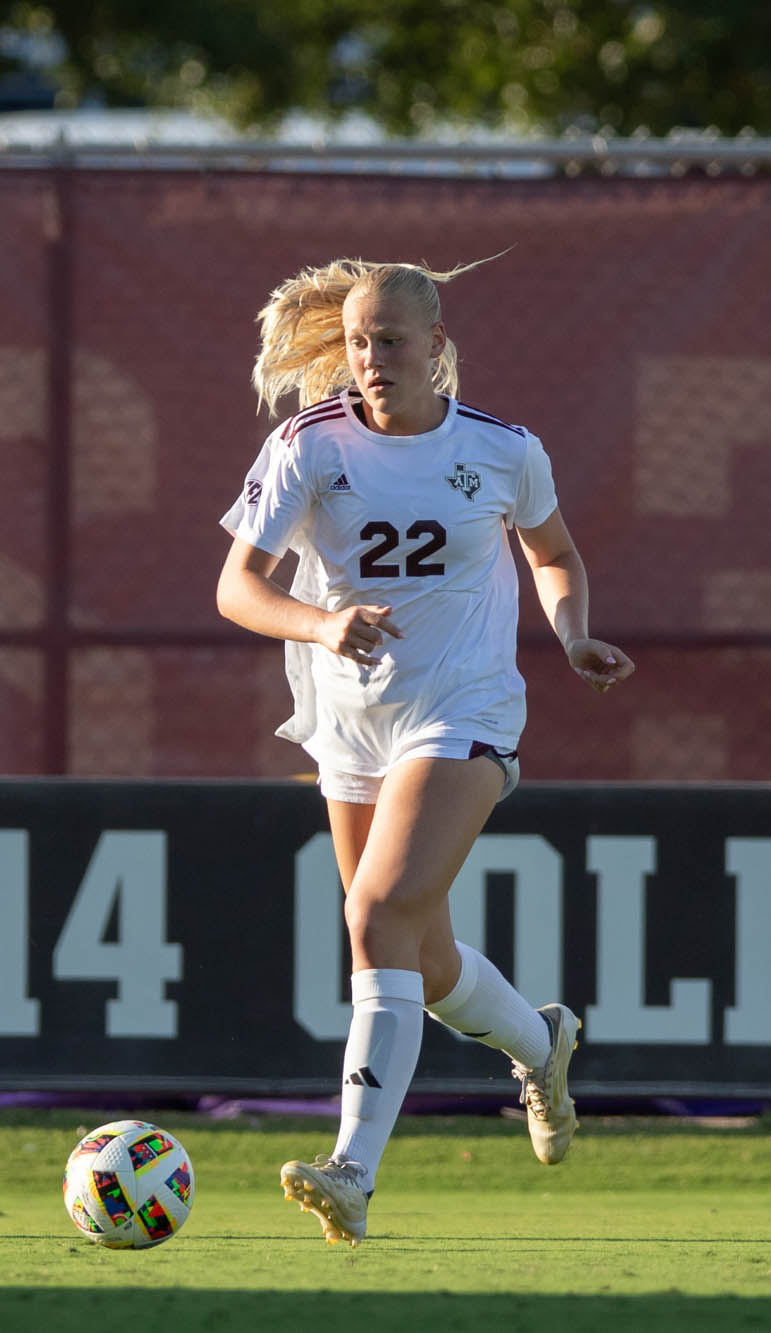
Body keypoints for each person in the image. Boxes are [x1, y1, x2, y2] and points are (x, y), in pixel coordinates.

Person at [216, 256, 634, 1245]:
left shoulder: (499, 449)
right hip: (348, 722)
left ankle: (351, 1169)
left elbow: (554, 553)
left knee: (371, 913)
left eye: (390, 341)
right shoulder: (307, 447)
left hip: (465, 711)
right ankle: (541, 1043)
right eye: (358, 341)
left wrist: (572, 633)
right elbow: (237, 588)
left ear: (435, 349)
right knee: (420, 951)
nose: (369, 359)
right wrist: (321, 627)